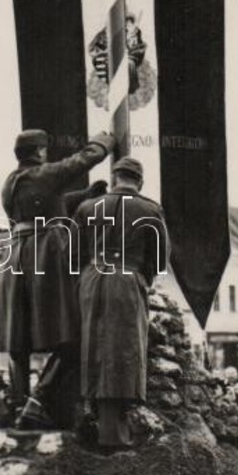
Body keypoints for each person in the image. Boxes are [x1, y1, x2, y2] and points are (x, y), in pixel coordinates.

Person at [0, 127, 115, 429]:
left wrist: (84, 196)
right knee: (72, 333)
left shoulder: (12, 182)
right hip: (44, 252)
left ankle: (19, 407)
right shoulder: (43, 174)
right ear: (39, 152)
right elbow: (85, 159)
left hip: (17, 254)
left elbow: (44, 203)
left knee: (17, 339)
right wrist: (106, 140)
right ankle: (39, 400)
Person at [75, 156, 168, 452]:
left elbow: (73, 255)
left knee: (95, 347)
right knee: (125, 350)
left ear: (114, 178)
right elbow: (159, 259)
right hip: (128, 281)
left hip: (92, 280)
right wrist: (142, 278)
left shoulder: (88, 207)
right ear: (139, 181)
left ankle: (97, 420)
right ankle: (115, 433)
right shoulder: (151, 210)